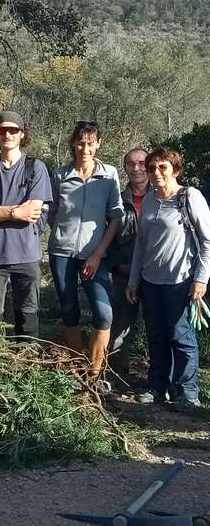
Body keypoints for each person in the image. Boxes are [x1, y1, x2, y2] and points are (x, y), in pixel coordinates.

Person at [127, 146, 210, 411]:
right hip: (151, 281)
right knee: (156, 336)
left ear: (175, 169)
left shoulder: (190, 197)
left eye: (162, 167)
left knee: (180, 336)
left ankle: (188, 392)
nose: (155, 172)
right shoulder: (150, 200)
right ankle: (158, 387)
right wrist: (133, 280)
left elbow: (207, 242)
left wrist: (201, 279)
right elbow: (141, 245)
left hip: (180, 281)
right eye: (152, 168)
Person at [48, 121, 123, 378]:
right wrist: (60, 234)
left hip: (95, 254)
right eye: (81, 143)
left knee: (104, 313)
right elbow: (52, 212)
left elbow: (116, 216)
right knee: (69, 309)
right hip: (61, 253)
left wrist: (98, 253)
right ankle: (76, 370)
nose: (85, 148)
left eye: (91, 143)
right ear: (73, 143)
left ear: (98, 144)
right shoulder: (59, 175)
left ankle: (94, 374)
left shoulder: (109, 174)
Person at [0, 112, 52, 337]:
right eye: (2, 130)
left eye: (13, 130)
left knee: (27, 317)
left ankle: (26, 366)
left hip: (26, 255)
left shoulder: (35, 168)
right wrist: (15, 212)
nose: (8, 134)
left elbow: (33, 211)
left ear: (22, 134)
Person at [107, 147, 149, 381]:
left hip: (157, 277)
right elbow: (106, 240)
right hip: (124, 274)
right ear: (124, 169)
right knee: (120, 328)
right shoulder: (116, 202)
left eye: (142, 163)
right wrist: (117, 266)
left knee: (160, 328)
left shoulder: (164, 198)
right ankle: (117, 376)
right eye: (131, 164)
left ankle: (160, 379)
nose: (137, 168)